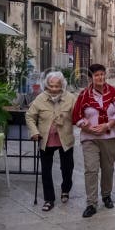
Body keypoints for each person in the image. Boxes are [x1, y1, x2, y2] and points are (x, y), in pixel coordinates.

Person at [72, 63, 115, 218]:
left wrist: (108, 125)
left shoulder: (114, 92)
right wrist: (87, 127)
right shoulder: (84, 95)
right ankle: (91, 203)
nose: (100, 77)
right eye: (97, 75)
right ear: (91, 77)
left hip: (109, 137)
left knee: (108, 168)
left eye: (102, 74)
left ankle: (106, 195)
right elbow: (77, 116)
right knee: (91, 169)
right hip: (90, 138)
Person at [26, 71, 76, 212]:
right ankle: (49, 199)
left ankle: (65, 189)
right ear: (46, 85)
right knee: (46, 171)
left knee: (67, 168)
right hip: (45, 139)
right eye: (51, 86)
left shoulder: (71, 98)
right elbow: (29, 116)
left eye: (57, 86)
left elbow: (79, 113)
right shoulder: (40, 99)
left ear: (62, 85)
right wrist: (34, 132)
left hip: (65, 138)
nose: (54, 89)